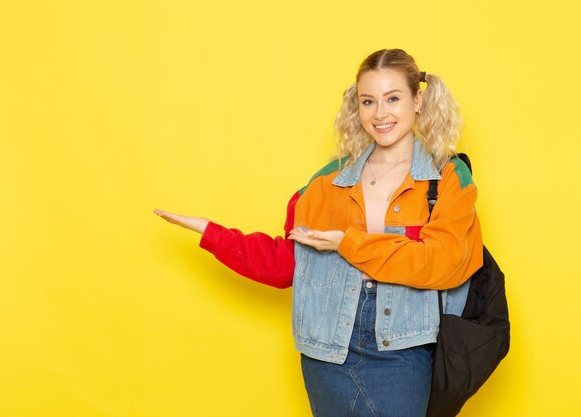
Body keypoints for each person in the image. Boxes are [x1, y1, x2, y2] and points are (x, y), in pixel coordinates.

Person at [154, 49, 483, 417]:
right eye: (368, 101)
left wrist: (349, 244)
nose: (380, 114)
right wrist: (211, 232)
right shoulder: (326, 182)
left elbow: (444, 264)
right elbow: (287, 264)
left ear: (418, 99)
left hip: (402, 352)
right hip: (325, 352)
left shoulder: (449, 178)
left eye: (393, 99)